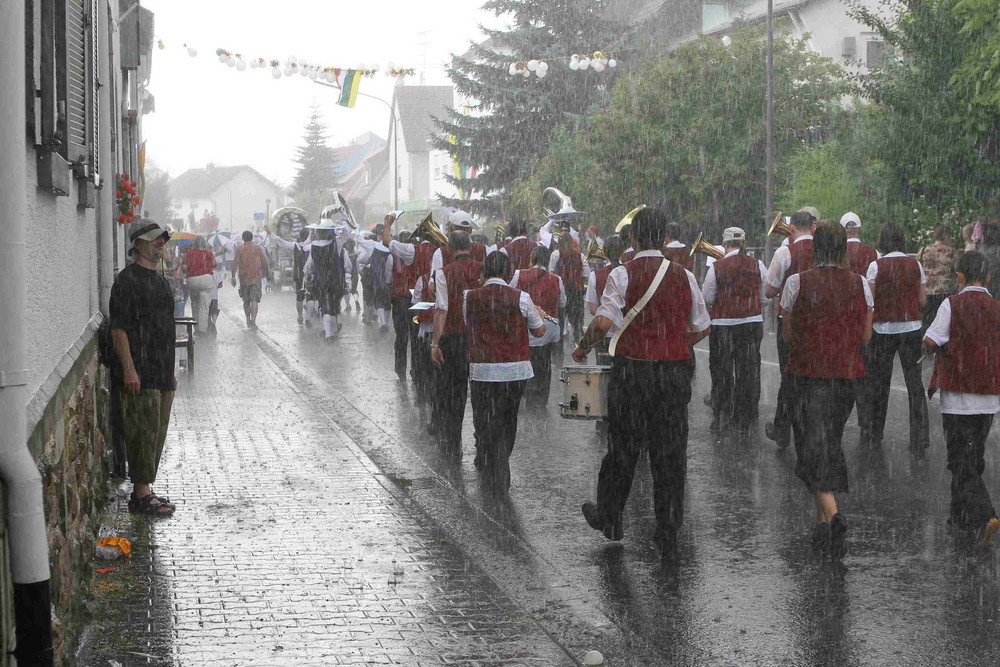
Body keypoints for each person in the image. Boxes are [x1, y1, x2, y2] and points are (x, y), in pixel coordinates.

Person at [572, 207, 711, 561]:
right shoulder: (685, 275)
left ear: (632, 238)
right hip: (673, 373)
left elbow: (602, 324)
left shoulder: (622, 274)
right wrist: (672, 348)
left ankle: (611, 517)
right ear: (665, 237)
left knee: (623, 449)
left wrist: (582, 347)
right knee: (669, 454)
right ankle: (667, 530)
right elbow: (702, 326)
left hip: (632, 372)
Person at [781, 221, 873, 560]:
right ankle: (820, 524)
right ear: (844, 249)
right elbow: (865, 337)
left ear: (816, 248)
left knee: (809, 449)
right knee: (829, 443)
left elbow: (788, 333)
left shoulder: (797, 282)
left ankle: (833, 515)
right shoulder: (861, 284)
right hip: (847, 378)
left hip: (807, 375)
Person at [924, 251, 1000, 547]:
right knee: (972, 458)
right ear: (989, 277)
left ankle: (985, 515)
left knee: (961, 461)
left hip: (958, 398)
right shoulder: (996, 307)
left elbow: (931, 340)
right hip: (989, 400)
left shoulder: (951, 304)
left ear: (959, 277)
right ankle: (958, 518)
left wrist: (930, 347)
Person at [109, 221, 178, 517]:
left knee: (157, 434)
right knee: (141, 432)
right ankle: (139, 494)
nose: (161, 243)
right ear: (138, 244)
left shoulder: (162, 282)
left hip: (163, 372)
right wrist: (129, 369)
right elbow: (119, 330)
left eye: (163, 239)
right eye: (155, 240)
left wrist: (171, 373)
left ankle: (145, 488)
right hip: (141, 371)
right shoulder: (127, 281)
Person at [466, 252, 547, 491]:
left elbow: (468, 323)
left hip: (482, 370)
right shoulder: (521, 298)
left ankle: (490, 457)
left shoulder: (469, 297)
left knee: (484, 418)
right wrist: (539, 317)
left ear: (484, 271)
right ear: (509, 272)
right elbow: (540, 332)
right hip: (515, 371)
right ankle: (501, 460)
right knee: (508, 419)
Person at [864, 222, 930, 458]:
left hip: (882, 329)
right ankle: (919, 439)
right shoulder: (915, 264)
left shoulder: (876, 266)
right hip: (911, 328)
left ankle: (874, 433)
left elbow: (870, 301)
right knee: (915, 385)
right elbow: (922, 302)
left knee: (880, 384)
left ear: (883, 240)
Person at [701, 227, 767, 438]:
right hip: (751, 323)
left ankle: (722, 412)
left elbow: (708, 298)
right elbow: (765, 298)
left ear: (726, 244)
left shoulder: (716, 266)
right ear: (744, 243)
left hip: (722, 324)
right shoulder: (758, 265)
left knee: (722, 370)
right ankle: (744, 416)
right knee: (747, 370)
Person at [764, 209, 817, 449]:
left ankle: (783, 429)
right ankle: (812, 427)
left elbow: (769, 291)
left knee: (789, 376)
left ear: (792, 228)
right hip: (818, 322)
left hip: (791, 321)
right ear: (813, 228)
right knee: (814, 375)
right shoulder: (824, 248)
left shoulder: (785, 252)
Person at [430, 231, 484, 451]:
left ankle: (453, 437)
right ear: (469, 246)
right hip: (478, 337)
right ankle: (481, 438)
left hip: (453, 337)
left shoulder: (444, 273)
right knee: (481, 390)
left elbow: (441, 309)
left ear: (450, 248)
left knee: (454, 388)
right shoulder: (482, 269)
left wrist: (435, 343)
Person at [383, 214, 439, 381]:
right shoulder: (441, 252)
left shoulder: (411, 249)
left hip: (404, 300)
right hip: (427, 301)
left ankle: (401, 369)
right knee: (418, 337)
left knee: (402, 335)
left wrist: (388, 225)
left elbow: (387, 241)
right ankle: (418, 371)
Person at [510, 246, 565, 410]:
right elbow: (563, 303)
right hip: (549, 330)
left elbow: (510, 295)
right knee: (544, 363)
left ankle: (527, 394)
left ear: (532, 258)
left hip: (527, 328)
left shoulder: (519, 274)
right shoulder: (556, 279)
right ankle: (541, 401)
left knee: (527, 361)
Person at [585, 235, 626, 364]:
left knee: (603, 373)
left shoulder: (595, 275)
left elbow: (592, 309)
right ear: (622, 252)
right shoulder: (630, 272)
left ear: (604, 252)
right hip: (625, 333)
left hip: (603, 334)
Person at [304, 225, 350, 341]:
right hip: (336, 281)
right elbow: (346, 234)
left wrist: (308, 274)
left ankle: (329, 335)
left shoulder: (313, 247)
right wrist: (343, 221)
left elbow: (309, 267)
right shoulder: (337, 244)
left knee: (325, 306)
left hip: (321, 281)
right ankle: (333, 332)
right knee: (334, 306)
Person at [549, 231, 590, 338]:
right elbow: (586, 274)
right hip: (576, 293)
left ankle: (559, 349)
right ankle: (578, 345)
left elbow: (551, 273)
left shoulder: (555, 254)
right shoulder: (580, 255)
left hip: (560, 292)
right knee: (577, 323)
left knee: (559, 323)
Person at [918, 226, 959, 328]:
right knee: (942, 322)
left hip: (926, 291)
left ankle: (926, 340)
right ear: (947, 236)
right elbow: (957, 269)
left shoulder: (924, 250)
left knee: (927, 321)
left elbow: (917, 267)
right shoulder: (952, 252)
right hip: (945, 291)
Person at [273, 228, 313, 326]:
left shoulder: (296, 246)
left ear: (300, 236)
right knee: (311, 297)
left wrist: (276, 238)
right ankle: (308, 318)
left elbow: (283, 244)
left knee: (299, 297)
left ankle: (300, 316)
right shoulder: (314, 245)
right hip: (311, 275)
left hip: (299, 275)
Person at [232, 230, 269, 330]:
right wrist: (267, 274)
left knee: (246, 300)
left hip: (244, 278)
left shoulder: (239, 249)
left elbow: (235, 263)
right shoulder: (258, 248)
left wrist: (232, 277)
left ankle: (248, 319)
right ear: (252, 238)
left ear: (243, 238)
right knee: (254, 300)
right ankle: (253, 320)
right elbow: (265, 262)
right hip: (256, 278)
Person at [181, 235, 216, 335]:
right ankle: (202, 330)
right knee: (204, 307)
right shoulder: (209, 253)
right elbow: (214, 264)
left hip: (192, 280)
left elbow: (184, 268)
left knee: (195, 303)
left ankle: (195, 328)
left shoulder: (189, 253)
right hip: (206, 279)